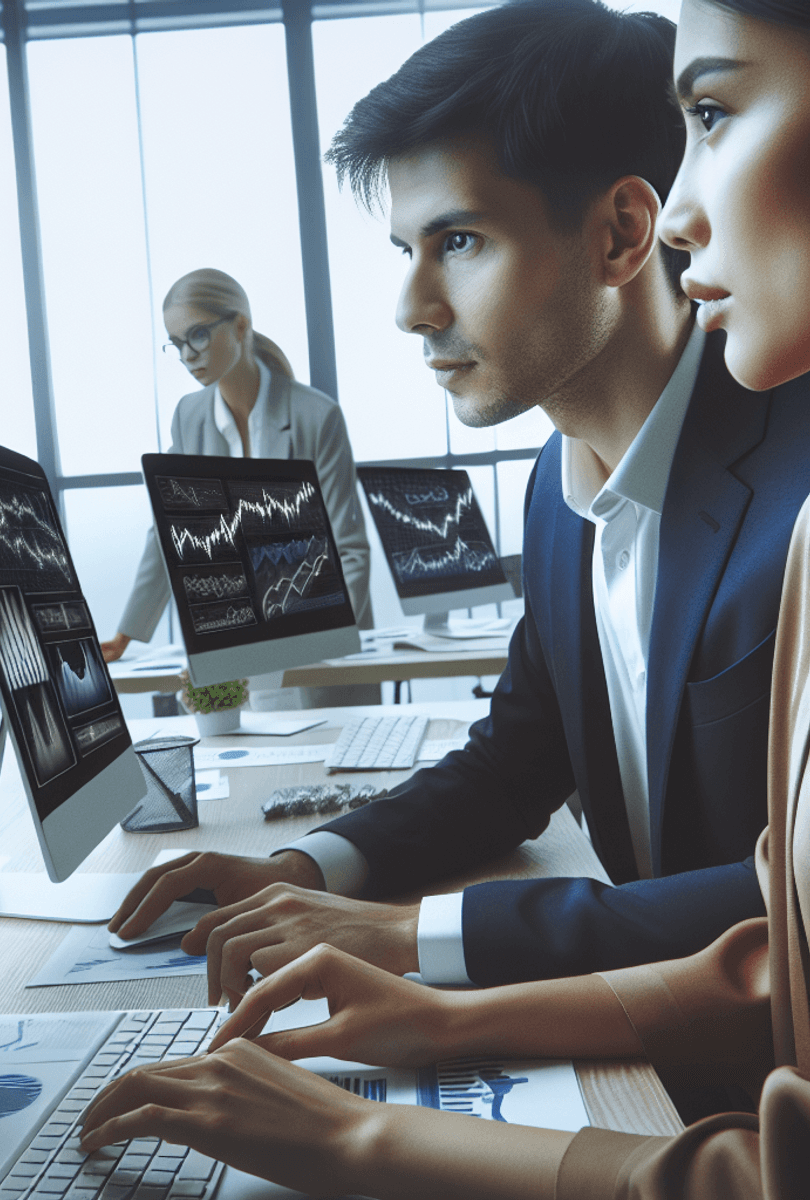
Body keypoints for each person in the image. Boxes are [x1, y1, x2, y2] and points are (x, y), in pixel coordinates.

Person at [80, 3, 810, 1194]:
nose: (413, 309)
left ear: (624, 232)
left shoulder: (798, 480)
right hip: (684, 1066)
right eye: (405, 252)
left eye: (458, 242)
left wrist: (419, 940)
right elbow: (518, 756)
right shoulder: (549, 486)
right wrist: (314, 868)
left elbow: (783, 905)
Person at [100, 269, 373, 673]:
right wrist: (128, 633)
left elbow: (348, 550)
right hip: (239, 640)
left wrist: (317, 639)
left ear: (241, 326)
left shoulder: (317, 416)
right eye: (176, 343)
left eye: (197, 335)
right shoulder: (189, 417)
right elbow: (170, 529)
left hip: (321, 643)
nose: (186, 355)